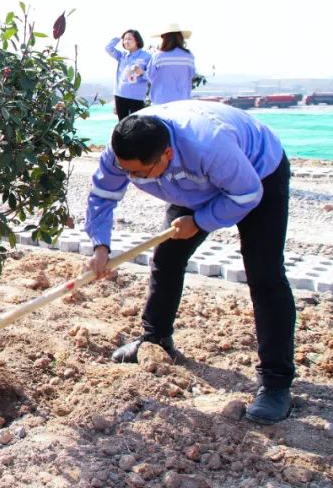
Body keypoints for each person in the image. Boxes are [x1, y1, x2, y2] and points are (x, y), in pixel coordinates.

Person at [85, 100, 295, 424]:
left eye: (138, 174)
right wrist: (100, 246)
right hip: (193, 183)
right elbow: (103, 194)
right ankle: (156, 341)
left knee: (264, 275)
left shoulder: (209, 145)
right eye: (125, 170)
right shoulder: (123, 150)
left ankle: (276, 384)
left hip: (256, 174)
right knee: (167, 258)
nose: (129, 177)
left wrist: (199, 221)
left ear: (166, 155)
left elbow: (246, 194)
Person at [134, 24, 195, 105]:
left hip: (161, 101)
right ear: (180, 37)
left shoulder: (158, 56)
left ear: (164, 38)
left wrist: (141, 72)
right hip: (183, 101)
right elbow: (191, 75)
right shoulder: (189, 56)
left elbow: (150, 76)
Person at [105, 30, 152, 120]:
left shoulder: (147, 56)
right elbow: (108, 48)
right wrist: (119, 37)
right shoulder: (122, 56)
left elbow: (152, 77)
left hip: (137, 97)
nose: (126, 42)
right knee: (122, 124)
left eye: (129, 39)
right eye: (125, 39)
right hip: (120, 95)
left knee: (137, 125)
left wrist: (142, 72)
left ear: (137, 40)